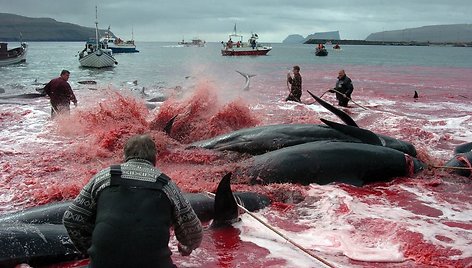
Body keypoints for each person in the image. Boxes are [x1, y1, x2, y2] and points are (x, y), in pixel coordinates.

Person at [63, 134, 203, 268]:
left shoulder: (104, 177)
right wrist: (186, 247)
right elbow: (194, 230)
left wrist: (89, 246)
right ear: (155, 157)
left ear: (125, 156)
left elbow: (71, 219)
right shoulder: (167, 185)